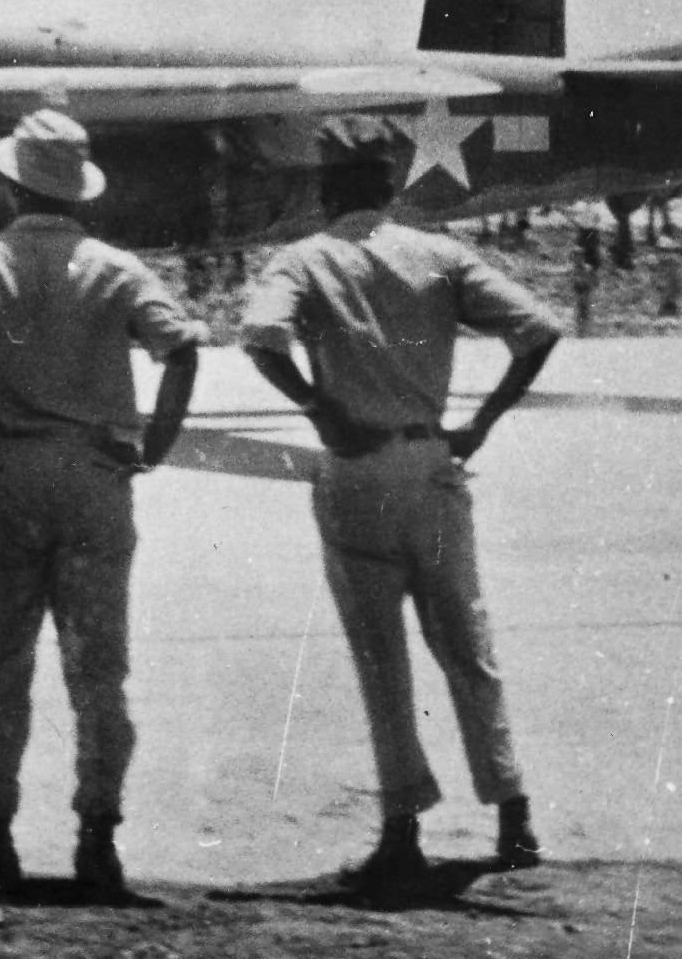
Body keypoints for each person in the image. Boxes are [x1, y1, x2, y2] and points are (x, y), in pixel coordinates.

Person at [239, 118, 561, 904]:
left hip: (355, 471)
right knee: (467, 641)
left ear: (324, 189)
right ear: (388, 185)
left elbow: (261, 335)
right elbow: (538, 329)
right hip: (431, 464)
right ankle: (513, 815)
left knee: (382, 658)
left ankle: (401, 830)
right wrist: (479, 423)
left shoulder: (304, 259)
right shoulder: (439, 254)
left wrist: (318, 408)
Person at [0, 109, 205, 901]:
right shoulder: (115, 265)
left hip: (7, 474)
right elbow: (182, 347)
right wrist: (156, 445)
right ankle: (97, 837)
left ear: (10, 181)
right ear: (80, 189)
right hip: (96, 478)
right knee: (100, 669)